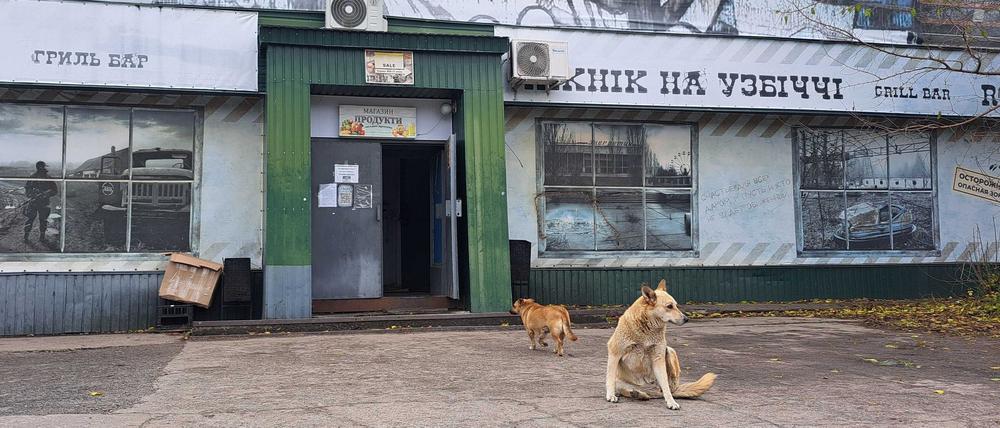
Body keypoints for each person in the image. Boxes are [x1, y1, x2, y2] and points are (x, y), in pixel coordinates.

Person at [24, 161, 57, 244]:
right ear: (40, 167)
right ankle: (26, 237)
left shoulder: (48, 178)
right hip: (35, 203)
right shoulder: (33, 177)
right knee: (31, 220)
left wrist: (46, 194)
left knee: (42, 220)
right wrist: (33, 194)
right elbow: (27, 190)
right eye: (43, 167)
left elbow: (55, 190)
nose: (44, 168)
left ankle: (40, 237)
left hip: (43, 203)